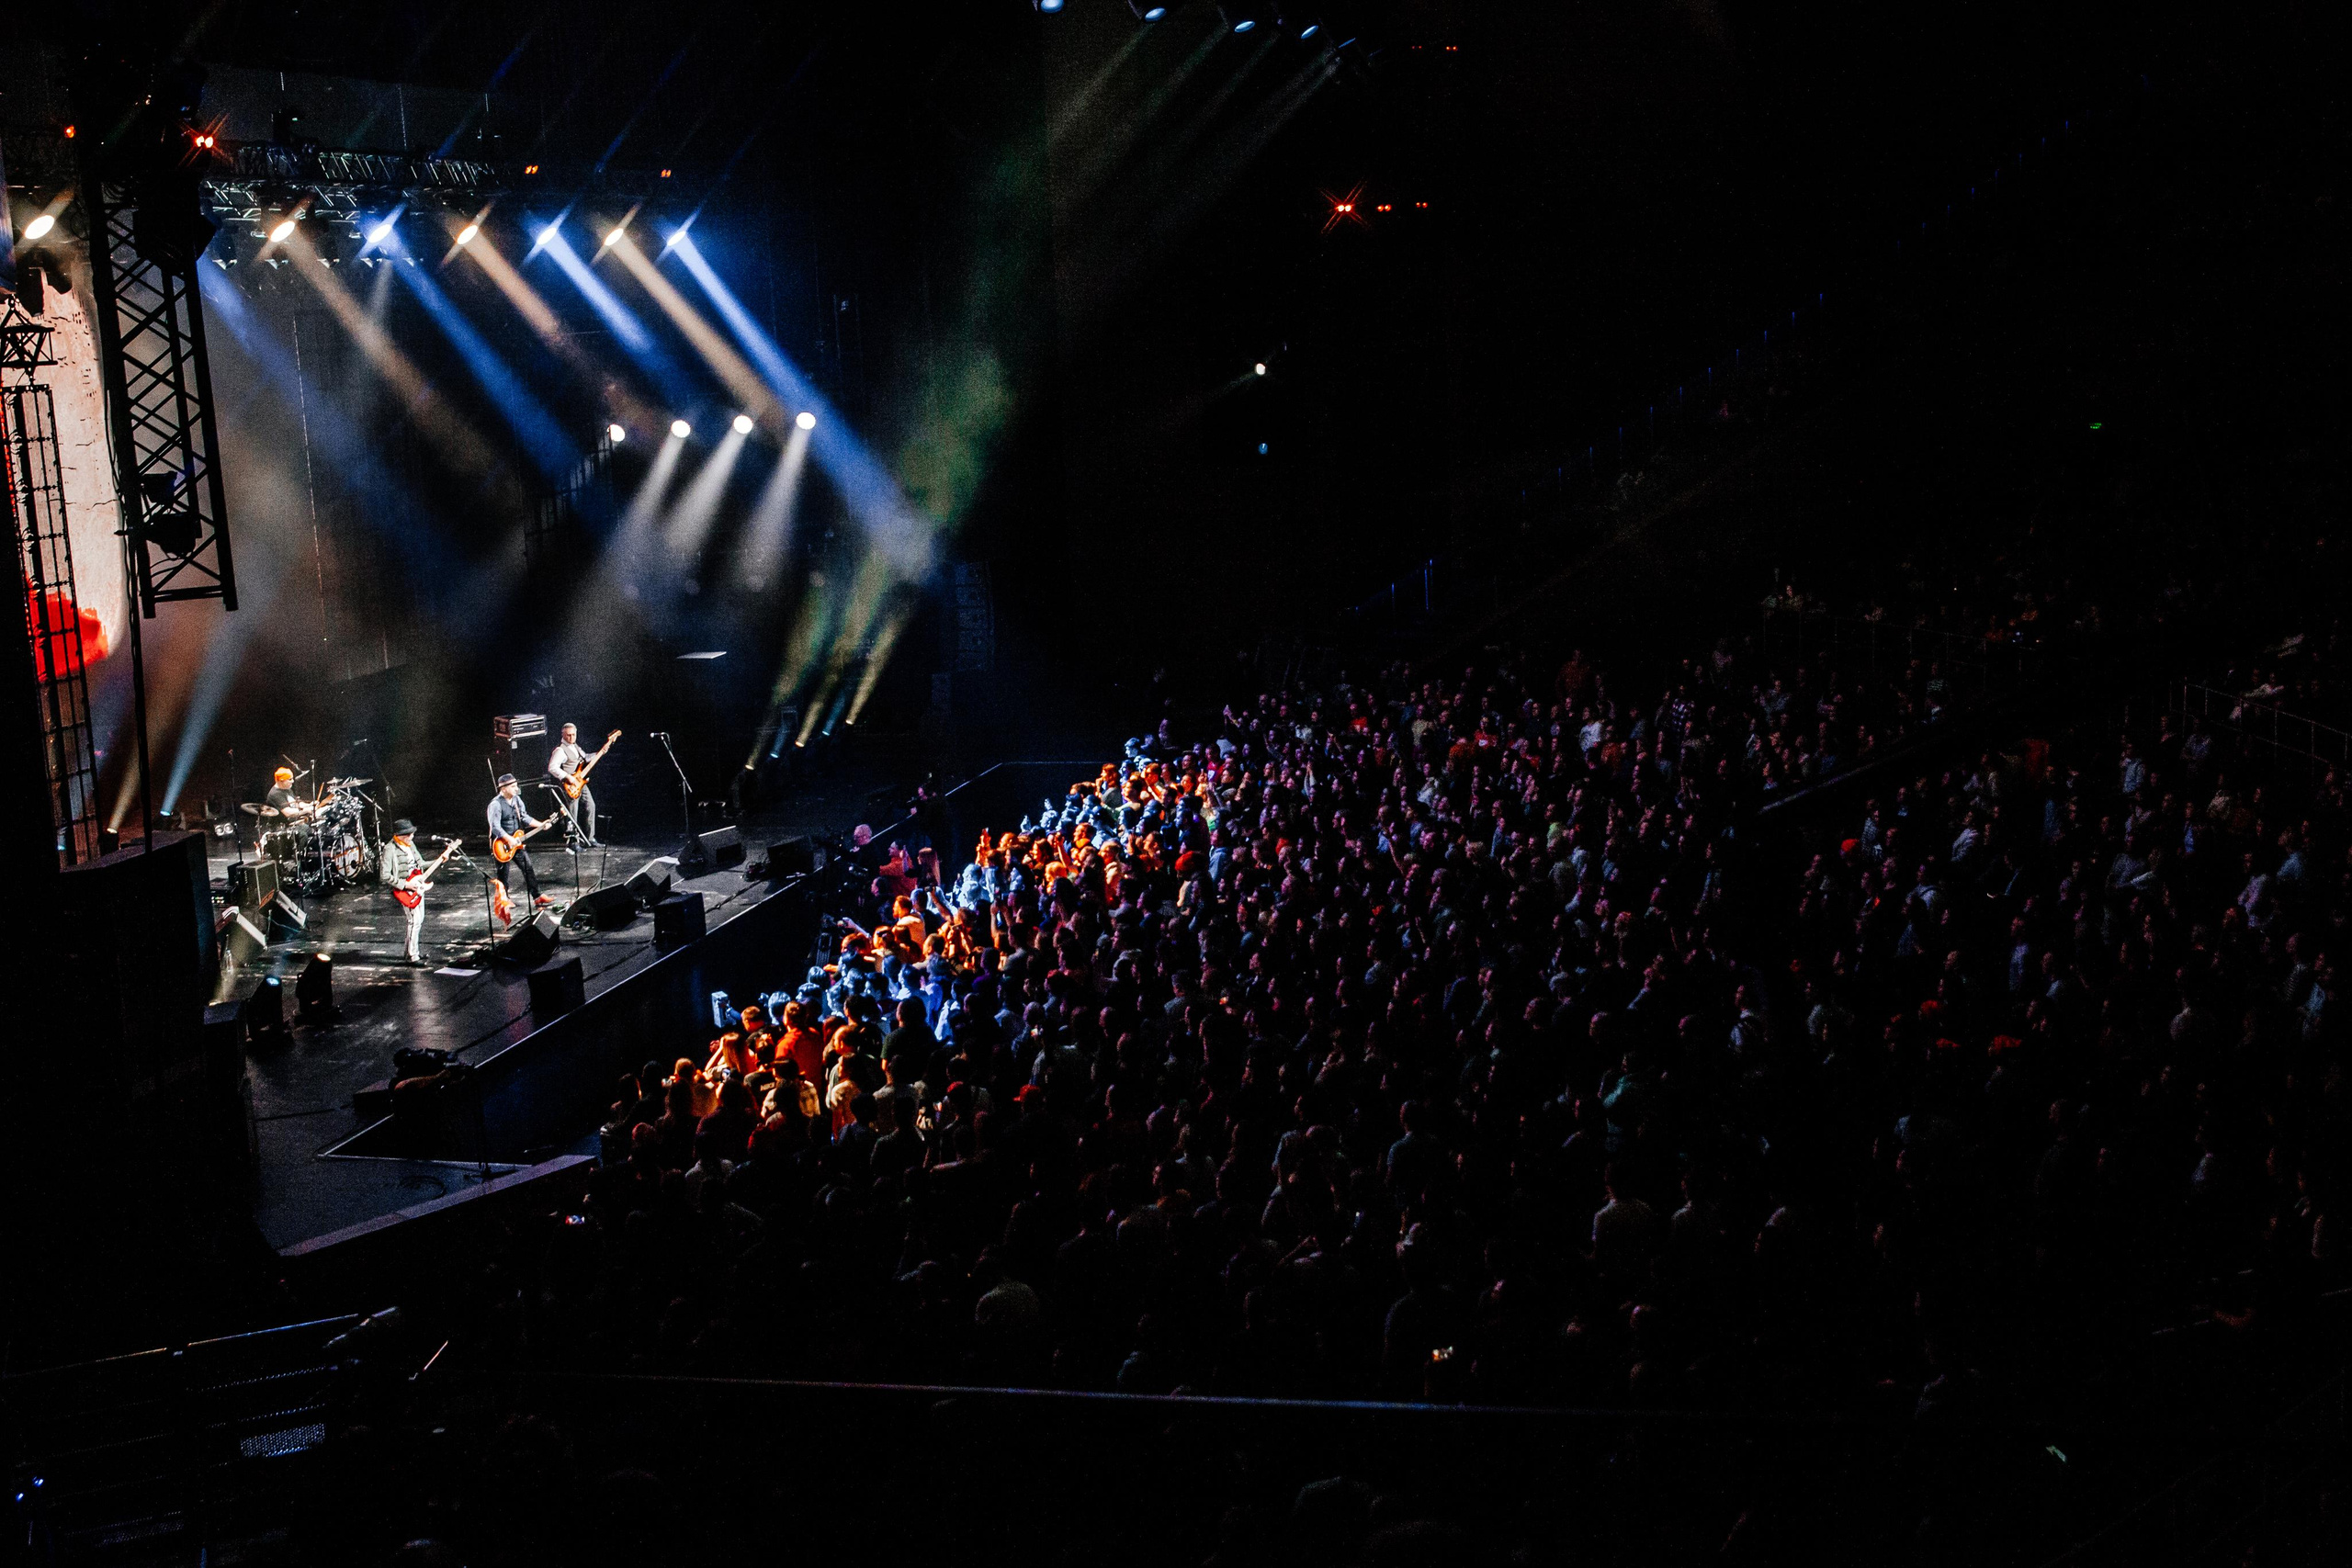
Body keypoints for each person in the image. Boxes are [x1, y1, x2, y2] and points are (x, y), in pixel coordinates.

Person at [487, 773, 553, 908]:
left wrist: (541, 825)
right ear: (503, 788)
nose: (516, 789)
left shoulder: (517, 800)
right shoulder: (495, 804)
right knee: (503, 874)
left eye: (516, 785)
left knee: (528, 868)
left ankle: (537, 896)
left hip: (516, 841)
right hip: (501, 844)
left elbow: (524, 817)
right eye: (512, 786)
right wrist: (508, 838)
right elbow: (495, 826)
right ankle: (504, 900)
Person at [378, 818, 431, 964]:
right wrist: (406, 885)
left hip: (418, 886)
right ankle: (413, 956)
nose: (412, 837)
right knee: (414, 921)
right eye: (409, 835)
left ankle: (411, 953)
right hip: (405, 890)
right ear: (402, 835)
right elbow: (385, 875)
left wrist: (440, 860)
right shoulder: (390, 849)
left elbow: (421, 863)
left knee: (418, 920)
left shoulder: (411, 845)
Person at [547, 722, 602, 847]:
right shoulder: (560, 750)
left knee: (590, 806)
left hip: (581, 783)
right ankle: (572, 840)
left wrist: (600, 753)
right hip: (570, 786)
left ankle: (590, 838)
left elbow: (586, 758)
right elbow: (552, 767)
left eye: (573, 735)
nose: (571, 738)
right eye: (569, 735)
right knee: (572, 812)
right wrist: (567, 777)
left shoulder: (575, 746)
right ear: (563, 735)